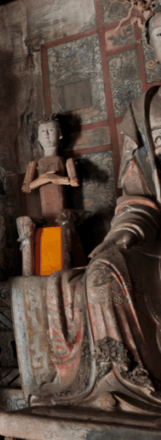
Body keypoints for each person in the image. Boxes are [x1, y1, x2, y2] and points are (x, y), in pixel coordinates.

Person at [40, 87, 161, 411]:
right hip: (152, 246)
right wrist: (125, 232)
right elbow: (138, 201)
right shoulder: (145, 113)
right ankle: (111, 378)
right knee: (92, 274)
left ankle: (133, 382)